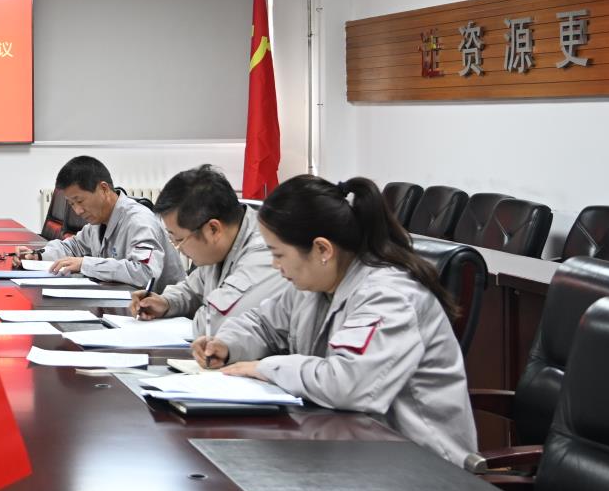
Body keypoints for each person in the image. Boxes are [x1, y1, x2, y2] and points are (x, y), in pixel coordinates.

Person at [189, 174, 478, 464]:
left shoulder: (389, 297)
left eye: (279, 254)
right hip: (354, 450)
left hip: (422, 465)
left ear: (322, 250)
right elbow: (262, 323)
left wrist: (265, 367)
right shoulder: (314, 286)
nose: (275, 265)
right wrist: (227, 344)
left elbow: (348, 384)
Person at [131, 165, 286, 338]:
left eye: (180, 240)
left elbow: (215, 324)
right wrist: (166, 302)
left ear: (213, 229)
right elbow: (193, 289)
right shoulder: (220, 246)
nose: (179, 249)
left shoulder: (264, 253)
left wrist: (202, 312)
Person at [25, 156, 180, 290]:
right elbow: (72, 247)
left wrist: (85, 264)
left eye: (80, 201)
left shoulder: (139, 221)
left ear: (104, 189)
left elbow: (145, 273)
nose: (78, 211)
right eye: (72, 204)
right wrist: (38, 255)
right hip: (124, 303)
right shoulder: (97, 222)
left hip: (165, 310)